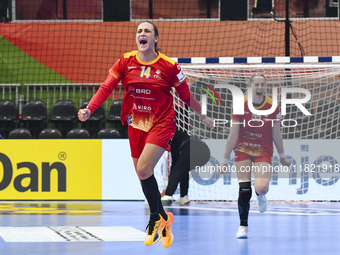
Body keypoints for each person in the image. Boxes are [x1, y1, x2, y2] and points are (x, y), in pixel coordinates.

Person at [78, 21, 214, 247]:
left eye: (147, 31)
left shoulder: (169, 66)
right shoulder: (125, 61)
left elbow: (186, 96)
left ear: (155, 39)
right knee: (143, 175)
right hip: (137, 121)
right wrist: (90, 108)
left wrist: (203, 115)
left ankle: (153, 219)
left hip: (162, 121)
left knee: (143, 168)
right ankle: (164, 218)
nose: (142, 34)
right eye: (139, 31)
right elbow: (106, 88)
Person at [220, 73, 290, 239]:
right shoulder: (240, 105)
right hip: (242, 148)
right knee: (244, 188)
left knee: (261, 187)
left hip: (263, 150)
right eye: (256, 84)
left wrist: (282, 156)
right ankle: (243, 225)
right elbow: (232, 135)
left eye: (262, 85)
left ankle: (261, 196)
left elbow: (277, 134)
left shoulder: (273, 106)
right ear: (250, 86)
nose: (260, 88)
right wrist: (224, 160)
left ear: (266, 86)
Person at [161, 129, 211, 205]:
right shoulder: (178, 135)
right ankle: (184, 196)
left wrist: (168, 191)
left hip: (193, 148)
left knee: (177, 170)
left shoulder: (170, 137)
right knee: (183, 170)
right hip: (205, 153)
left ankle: (168, 195)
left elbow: (175, 169)